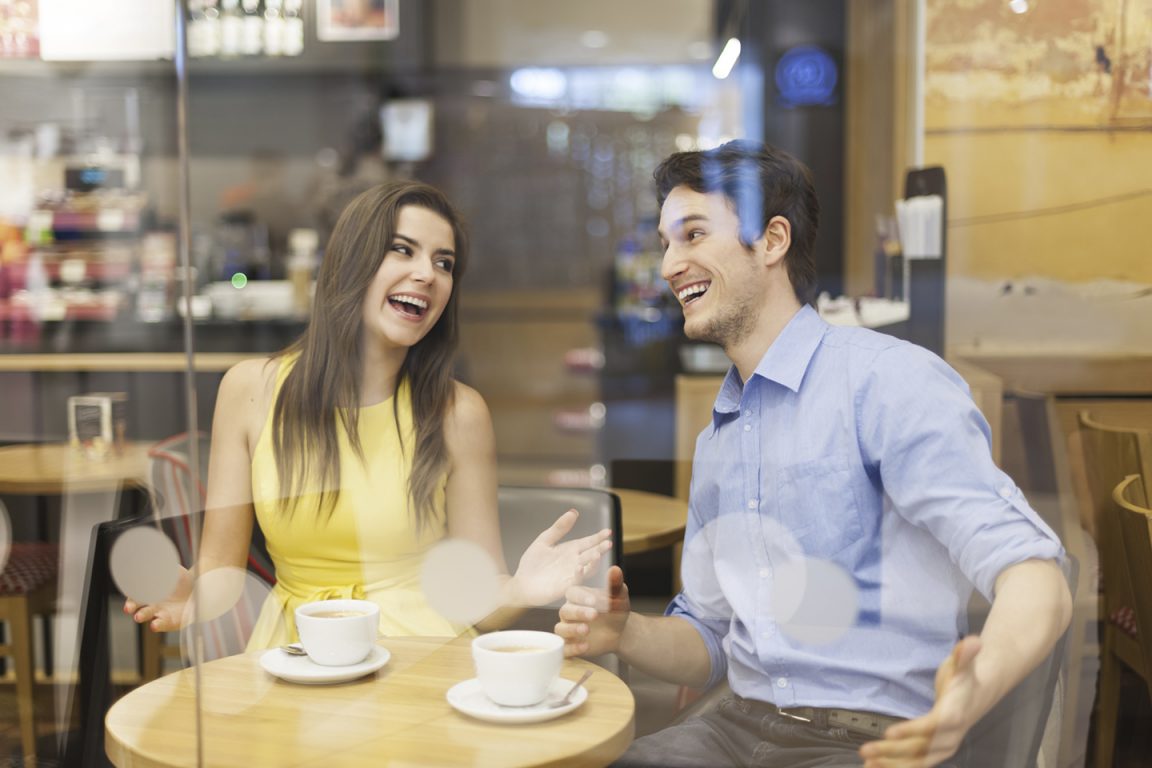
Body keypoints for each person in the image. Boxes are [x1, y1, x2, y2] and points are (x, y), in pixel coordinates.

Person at [556, 141, 1072, 768]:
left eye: (693, 235)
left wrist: (976, 691)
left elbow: (1035, 574)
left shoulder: (886, 382)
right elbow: (710, 638)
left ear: (772, 241)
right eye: (666, 242)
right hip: (733, 729)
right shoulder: (718, 435)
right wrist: (625, 632)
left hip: (869, 741)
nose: (669, 264)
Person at [127, 180, 611, 646]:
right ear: (351, 263)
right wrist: (195, 595)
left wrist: (522, 589)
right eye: (403, 249)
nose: (427, 273)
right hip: (297, 656)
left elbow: (477, 602)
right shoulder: (249, 390)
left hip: (422, 655)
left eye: (444, 263)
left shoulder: (459, 412)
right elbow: (221, 572)